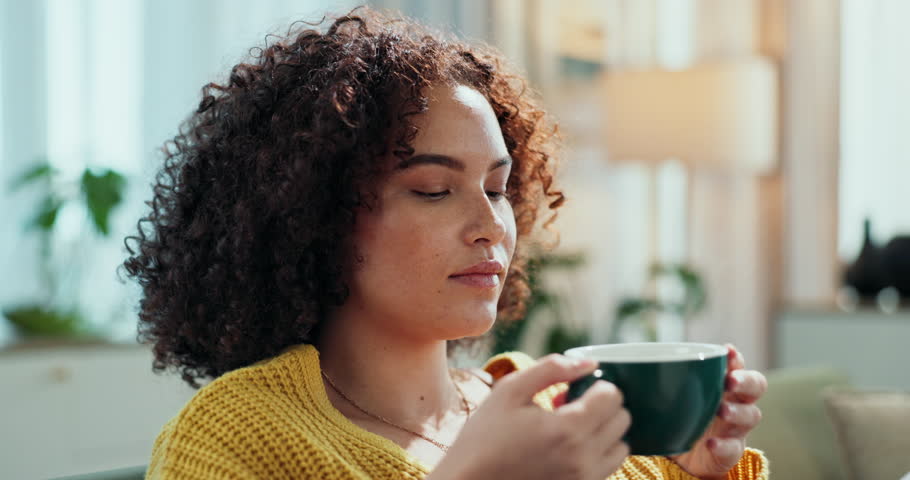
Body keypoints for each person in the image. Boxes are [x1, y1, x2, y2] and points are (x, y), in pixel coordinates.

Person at [123, 7, 769, 480]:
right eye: (433, 189)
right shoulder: (234, 437)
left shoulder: (557, 412)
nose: (489, 223)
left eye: (496, 188)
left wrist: (695, 471)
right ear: (315, 214)